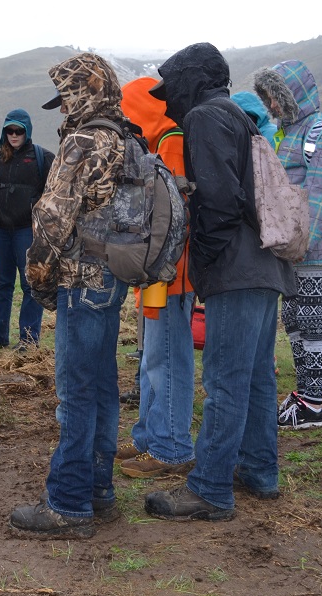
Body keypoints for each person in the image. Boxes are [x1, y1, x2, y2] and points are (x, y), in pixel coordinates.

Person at [143, 42, 296, 521]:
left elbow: (219, 202)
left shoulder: (206, 118)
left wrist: (203, 262)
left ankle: (210, 488)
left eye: (173, 89)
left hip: (236, 269)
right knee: (253, 378)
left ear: (193, 79)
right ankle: (257, 470)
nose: (168, 102)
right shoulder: (236, 115)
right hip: (264, 266)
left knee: (225, 381)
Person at [9, 53, 130, 539]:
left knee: (75, 392)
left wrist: (39, 284)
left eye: (66, 99)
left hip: (80, 280)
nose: (62, 111)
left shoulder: (82, 141)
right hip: (114, 276)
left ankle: (68, 501)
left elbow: (51, 222)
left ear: (82, 93)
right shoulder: (123, 138)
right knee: (102, 388)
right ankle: (99, 490)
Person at [255, 61, 322, 429]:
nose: (271, 105)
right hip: (294, 245)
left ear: (291, 95)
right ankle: (305, 394)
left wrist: (304, 243)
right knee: (293, 316)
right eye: (268, 98)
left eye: (275, 97)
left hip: (312, 246)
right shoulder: (290, 132)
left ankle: (313, 404)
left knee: (310, 317)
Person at [114, 76, 195, 479]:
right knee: (151, 361)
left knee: (167, 361)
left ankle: (172, 447)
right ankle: (148, 437)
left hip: (170, 275)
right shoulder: (158, 143)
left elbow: (173, 218)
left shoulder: (171, 141)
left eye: (128, 112)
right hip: (158, 276)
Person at [0, 109, 53, 352]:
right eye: (10, 130)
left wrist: (35, 210)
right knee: (2, 284)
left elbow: (53, 191)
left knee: (31, 284)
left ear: (27, 131)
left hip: (26, 231)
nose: (14, 134)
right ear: (4, 131)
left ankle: (29, 339)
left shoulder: (42, 157)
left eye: (19, 130)